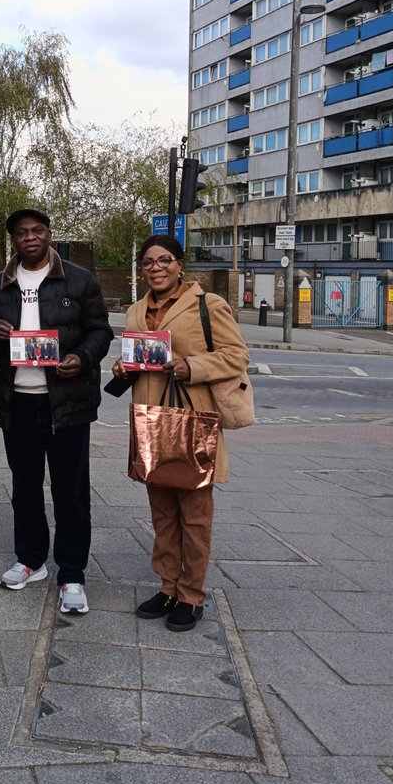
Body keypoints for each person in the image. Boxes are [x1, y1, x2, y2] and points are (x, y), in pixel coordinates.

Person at [0, 208, 114, 615]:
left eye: (37, 230)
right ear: (13, 241)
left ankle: (72, 573)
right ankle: (31, 560)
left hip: (67, 402)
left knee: (70, 492)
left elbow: (101, 331)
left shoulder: (79, 279)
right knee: (25, 487)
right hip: (17, 401)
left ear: (49, 234)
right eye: (22, 233)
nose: (31, 237)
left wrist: (82, 358)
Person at [112, 234, 249, 632]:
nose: (156, 268)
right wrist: (125, 368)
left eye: (164, 260)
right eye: (148, 262)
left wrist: (193, 366)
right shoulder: (137, 310)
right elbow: (139, 355)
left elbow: (238, 354)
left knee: (195, 515)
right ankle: (168, 586)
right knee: (162, 513)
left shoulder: (208, 305)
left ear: (179, 265)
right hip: (152, 421)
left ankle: (192, 594)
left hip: (193, 421)